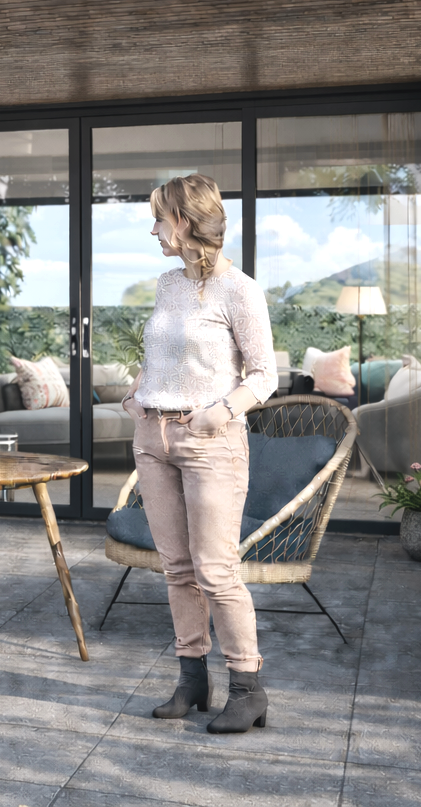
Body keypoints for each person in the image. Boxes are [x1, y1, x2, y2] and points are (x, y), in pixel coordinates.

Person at [121, 174, 277, 734]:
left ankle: (247, 687)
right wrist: (138, 390)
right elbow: (165, 353)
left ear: (185, 222)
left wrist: (217, 412)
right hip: (153, 440)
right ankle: (192, 680)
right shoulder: (167, 285)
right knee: (177, 568)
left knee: (216, 570)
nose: (154, 229)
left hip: (210, 442)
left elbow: (264, 377)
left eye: (160, 218)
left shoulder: (241, 290)